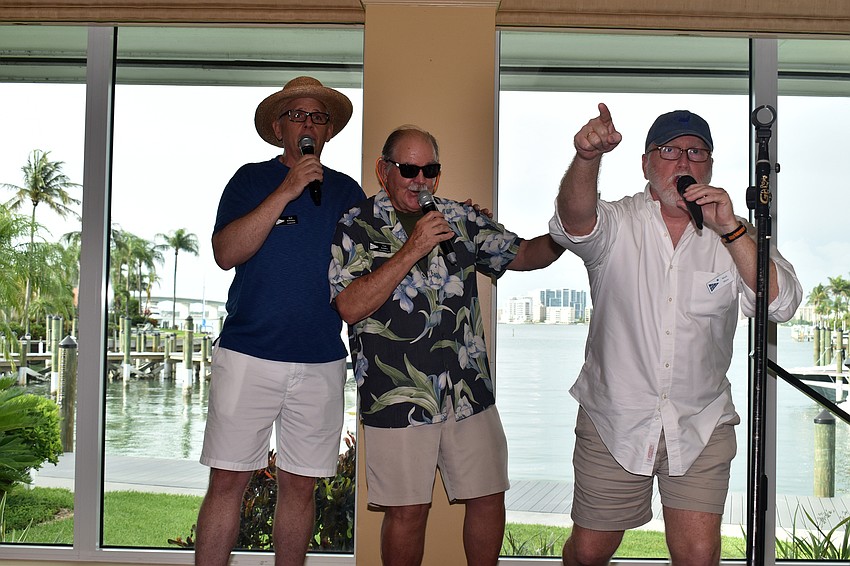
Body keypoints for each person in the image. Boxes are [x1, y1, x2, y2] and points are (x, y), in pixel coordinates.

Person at [550, 104, 802, 566]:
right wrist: (587, 158)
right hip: (615, 421)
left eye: (696, 152)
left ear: (709, 165)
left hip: (700, 423)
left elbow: (781, 304)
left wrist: (730, 228)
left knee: (700, 555)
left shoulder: (734, 234)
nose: (683, 163)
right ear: (646, 164)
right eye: (669, 151)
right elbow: (573, 222)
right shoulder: (619, 223)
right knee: (589, 552)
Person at [329, 124, 565, 566]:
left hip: (467, 391)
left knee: (488, 495)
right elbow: (349, 306)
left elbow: (525, 254)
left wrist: (570, 231)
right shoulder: (355, 225)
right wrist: (412, 249)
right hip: (395, 396)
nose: (420, 180)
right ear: (384, 170)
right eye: (409, 169)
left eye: (430, 169)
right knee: (407, 512)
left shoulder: (460, 218)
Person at [195, 76, 366, 566]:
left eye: (318, 117)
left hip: (321, 361)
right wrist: (287, 190)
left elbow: (360, 274)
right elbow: (226, 253)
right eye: (298, 115)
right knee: (227, 481)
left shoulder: (347, 192)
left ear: (328, 131)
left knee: (301, 487)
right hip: (247, 354)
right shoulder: (250, 179)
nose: (308, 124)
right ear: (278, 127)